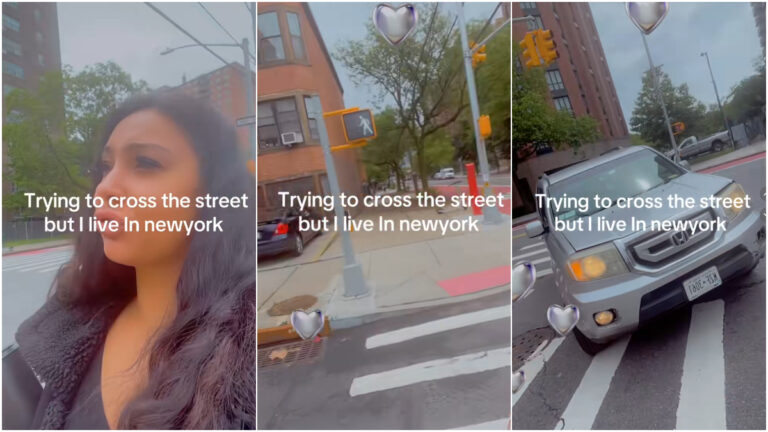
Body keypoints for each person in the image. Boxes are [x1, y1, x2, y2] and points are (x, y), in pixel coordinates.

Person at [14, 93, 256, 429]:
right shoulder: (71, 330)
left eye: (145, 162)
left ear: (212, 194)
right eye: (105, 167)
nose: (104, 188)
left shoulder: (248, 353)